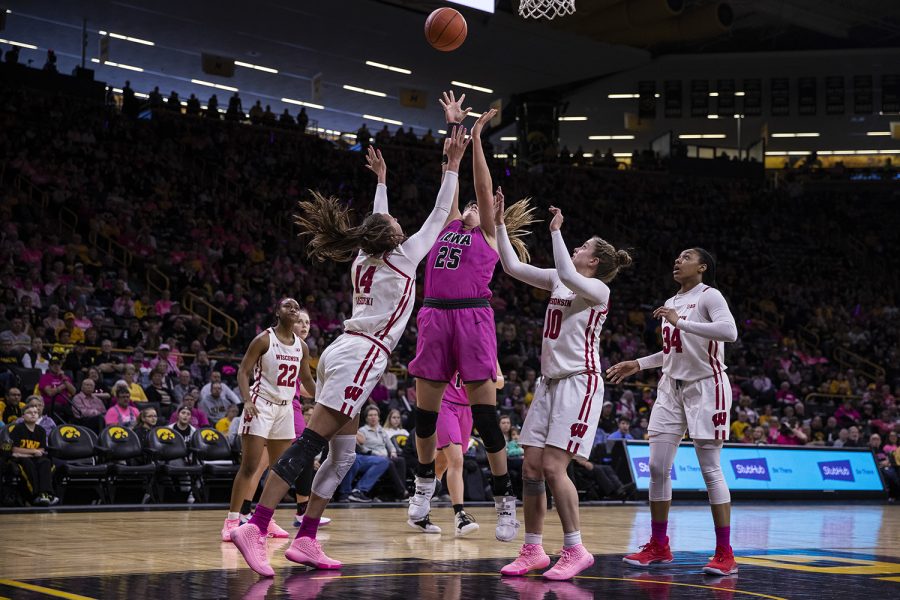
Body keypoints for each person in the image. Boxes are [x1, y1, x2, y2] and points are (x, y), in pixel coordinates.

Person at [230, 124, 468, 577]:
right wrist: (452, 165)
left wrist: (381, 180)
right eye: (397, 223)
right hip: (361, 355)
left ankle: (306, 539)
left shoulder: (366, 254)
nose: (400, 221)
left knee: (343, 456)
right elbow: (440, 212)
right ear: (394, 237)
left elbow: (378, 222)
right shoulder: (403, 254)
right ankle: (255, 526)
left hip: (347, 349)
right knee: (312, 442)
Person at [494, 200, 631, 579]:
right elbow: (512, 267)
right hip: (549, 384)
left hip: (580, 383)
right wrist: (500, 224)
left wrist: (555, 230)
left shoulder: (598, 289)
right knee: (532, 468)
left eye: (582, 246)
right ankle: (533, 549)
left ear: (594, 262)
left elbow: (570, 276)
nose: (576, 248)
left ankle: (575, 549)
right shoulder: (561, 277)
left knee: (555, 467)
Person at [406, 99, 522, 543]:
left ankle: (502, 501)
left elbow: (477, 178)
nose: (471, 206)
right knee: (424, 416)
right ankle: (420, 487)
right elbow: (449, 177)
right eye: (468, 205)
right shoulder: (447, 224)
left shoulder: (489, 234)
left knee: (489, 421)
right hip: (435, 313)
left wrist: (477, 139)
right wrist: (452, 125)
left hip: (473, 318)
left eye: (479, 205)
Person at [607, 247, 739, 576]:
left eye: (686, 257)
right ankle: (658, 545)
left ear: (703, 266)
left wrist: (682, 322)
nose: (678, 261)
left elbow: (729, 332)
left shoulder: (710, 296)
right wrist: (638, 363)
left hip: (706, 386)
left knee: (710, 468)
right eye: (677, 257)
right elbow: (672, 352)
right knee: (656, 466)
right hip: (670, 386)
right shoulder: (673, 301)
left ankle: (725, 553)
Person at [221, 298, 316, 543]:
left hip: (285, 410)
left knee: (279, 471)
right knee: (250, 466)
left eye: (297, 307)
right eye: (288, 306)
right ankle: (231, 520)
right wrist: (247, 401)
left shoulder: (301, 347)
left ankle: (264, 518)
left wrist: (327, 395)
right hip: (261, 405)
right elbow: (243, 371)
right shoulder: (264, 339)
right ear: (277, 311)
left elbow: (307, 381)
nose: (294, 310)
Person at [429, 366, 504, 537]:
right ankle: (460, 517)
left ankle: (420, 502)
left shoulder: (488, 349)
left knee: (442, 463)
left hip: (467, 409)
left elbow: (500, 382)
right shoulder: (452, 343)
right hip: (445, 405)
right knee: (456, 461)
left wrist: (481, 379)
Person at [9, 403, 58, 506]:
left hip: (31, 457)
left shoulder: (41, 430)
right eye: (29, 413)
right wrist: (33, 452)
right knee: (28, 464)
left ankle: (46, 494)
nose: (33, 414)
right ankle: (35, 495)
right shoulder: (17, 428)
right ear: (23, 416)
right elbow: (15, 449)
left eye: (35, 412)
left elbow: (41, 449)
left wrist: (29, 453)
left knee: (45, 462)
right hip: (21, 459)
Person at [357, 405, 406, 502]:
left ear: (379, 417)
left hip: (385, 456)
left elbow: (390, 444)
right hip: (372, 457)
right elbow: (362, 448)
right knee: (390, 463)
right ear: (366, 418)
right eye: (370, 415)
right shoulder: (362, 430)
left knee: (400, 460)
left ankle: (398, 492)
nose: (373, 417)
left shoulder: (381, 430)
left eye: (375, 415)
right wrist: (375, 453)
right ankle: (402, 492)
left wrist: (393, 451)